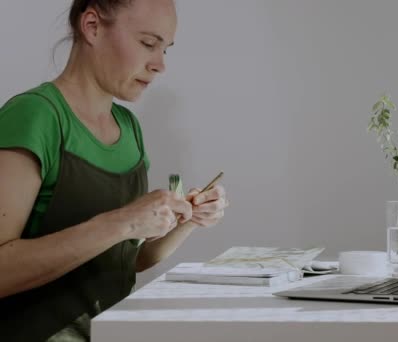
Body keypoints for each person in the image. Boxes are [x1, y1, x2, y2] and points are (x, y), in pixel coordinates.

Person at [0, 0, 229, 340]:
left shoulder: (128, 127)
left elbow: (129, 260)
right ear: (91, 26)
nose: (160, 65)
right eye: (148, 44)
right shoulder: (35, 116)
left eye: (165, 49)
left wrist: (187, 219)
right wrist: (125, 221)